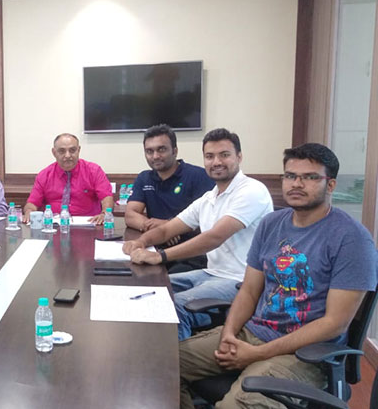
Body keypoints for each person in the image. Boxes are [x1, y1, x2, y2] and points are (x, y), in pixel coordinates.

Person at [177, 143, 378, 409]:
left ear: (330, 184)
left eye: (309, 177)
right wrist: (229, 333)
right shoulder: (272, 224)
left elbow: (334, 324)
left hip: (303, 353)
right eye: (290, 176)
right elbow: (249, 290)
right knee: (163, 368)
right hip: (252, 333)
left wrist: (255, 355)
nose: (296, 184)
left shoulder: (352, 240)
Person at [123, 128, 273, 340]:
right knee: (145, 286)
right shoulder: (209, 198)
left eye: (224, 155)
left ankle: (175, 360)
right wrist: (141, 241)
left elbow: (214, 237)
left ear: (239, 157)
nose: (216, 162)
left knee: (171, 306)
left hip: (240, 281)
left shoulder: (252, 191)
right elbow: (167, 229)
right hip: (211, 273)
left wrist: (161, 256)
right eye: (210, 156)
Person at [125, 124, 215, 272]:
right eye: (149, 151)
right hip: (154, 246)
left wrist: (171, 227)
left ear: (175, 151)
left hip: (190, 254)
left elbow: (209, 222)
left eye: (161, 149)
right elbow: (130, 215)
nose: (155, 156)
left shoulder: (199, 176)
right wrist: (158, 228)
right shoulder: (144, 178)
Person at [22, 133, 113, 224]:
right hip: (54, 225)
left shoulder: (94, 171)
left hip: (89, 223)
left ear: (78, 150)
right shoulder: (44, 175)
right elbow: (32, 203)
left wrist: (104, 214)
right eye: (62, 151)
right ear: (54, 152)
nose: (68, 155)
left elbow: (106, 197)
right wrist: (29, 211)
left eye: (72, 150)